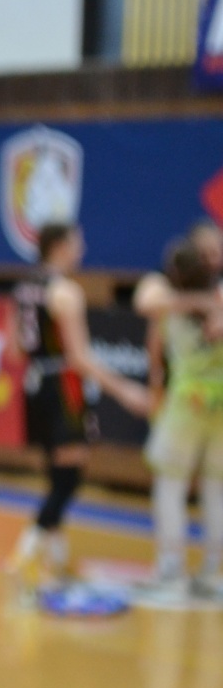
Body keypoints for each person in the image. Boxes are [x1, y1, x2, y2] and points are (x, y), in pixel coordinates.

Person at [7, 221, 150, 586]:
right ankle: (26, 551)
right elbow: (80, 357)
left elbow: (15, 350)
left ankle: (57, 557)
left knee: (57, 472)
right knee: (68, 478)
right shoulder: (65, 291)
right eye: (77, 241)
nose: (82, 249)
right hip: (63, 388)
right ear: (59, 246)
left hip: (34, 384)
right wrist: (125, 390)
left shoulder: (23, 289)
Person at [136, 238, 223, 604]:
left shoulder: (167, 302)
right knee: (216, 488)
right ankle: (213, 571)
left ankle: (171, 567)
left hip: (187, 401)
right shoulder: (214, 298)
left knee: (171, 486)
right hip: (219, 403)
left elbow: (147, 306)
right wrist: (207, 303)